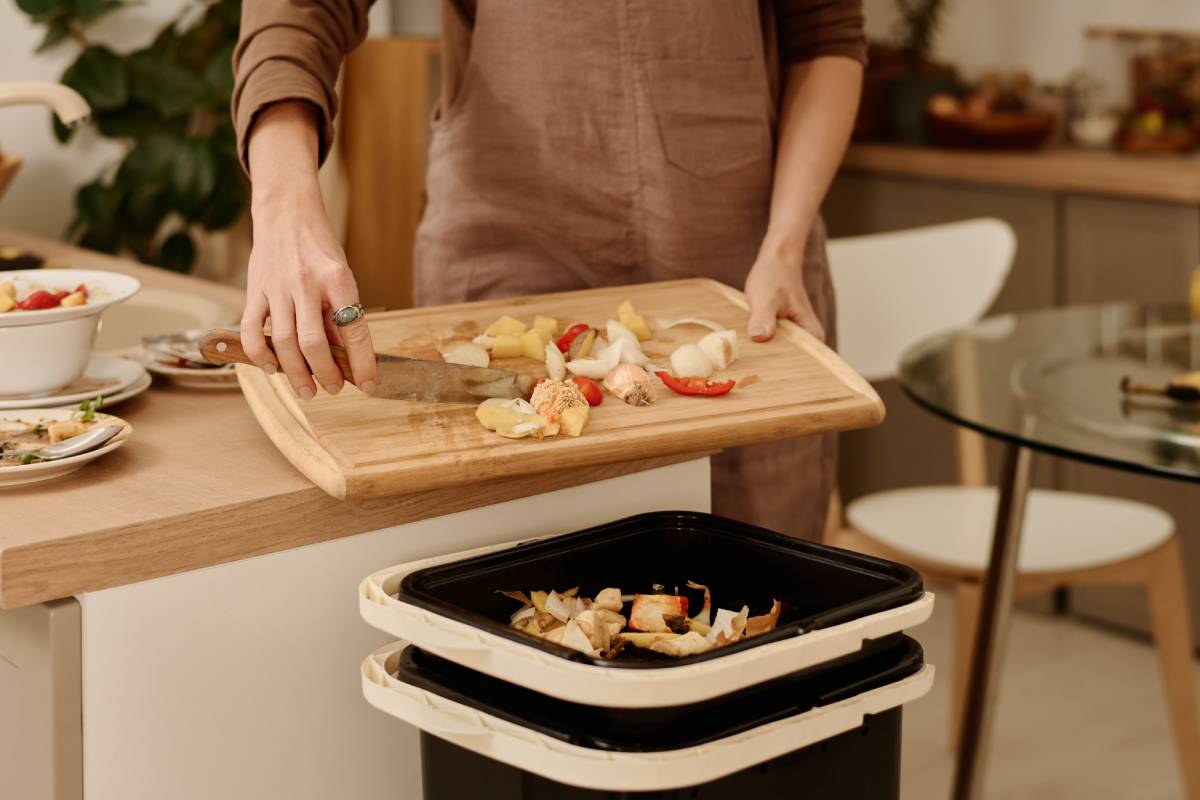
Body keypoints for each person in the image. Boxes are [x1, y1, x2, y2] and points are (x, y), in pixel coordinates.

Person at [232, 0, 865, 540]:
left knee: (756, 603)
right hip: (505, 241)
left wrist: (784, 244)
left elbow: (825, 34)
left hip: (744, 257)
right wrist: (284, 204)